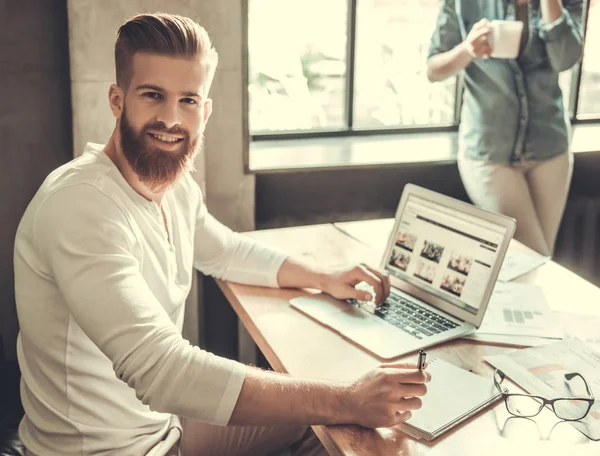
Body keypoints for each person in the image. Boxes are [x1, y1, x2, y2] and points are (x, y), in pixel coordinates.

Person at [13, 13, 430, 456]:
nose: (171, 119)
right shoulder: (80, 206)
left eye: (188, 100)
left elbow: (224, 250)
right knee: (337, 425)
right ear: (117, 99)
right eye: (153, 95)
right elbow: (163, 372)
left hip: (160, 429)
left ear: (205, 110)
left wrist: (322, 276)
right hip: (108, 451)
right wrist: (348, 397)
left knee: (332, 428)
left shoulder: (172, 186)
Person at [427, 0, 584, 256]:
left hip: (550, 149)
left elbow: (565, 59)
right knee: (531, 257)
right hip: (489, 152)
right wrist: (468, 49)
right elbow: (433, 69)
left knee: (541, 259)